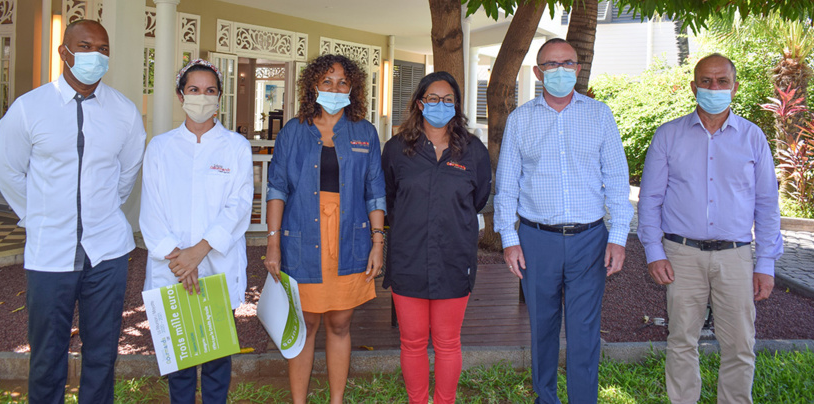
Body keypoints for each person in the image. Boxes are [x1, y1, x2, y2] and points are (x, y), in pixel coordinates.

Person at [0, 19, 146, 404]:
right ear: (64, 52)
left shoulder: (125, 112)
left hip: (107, 253)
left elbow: (127, 172)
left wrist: (101, 209)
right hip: (49, 253)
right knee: (47, 355)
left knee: (102, 353)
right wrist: (39, 216)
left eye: (103, 49)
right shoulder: (30, 109)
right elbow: (9, 171)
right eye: (85, 46)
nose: (95, 55)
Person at [637, 53, 783, 404]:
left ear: (734, 87)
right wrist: (654, 252)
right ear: (693, 87)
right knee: (681, 340)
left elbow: (767, 204)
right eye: (706, 81)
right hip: (681, 254)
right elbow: (650, 199)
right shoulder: (668, 135)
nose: (713, 87)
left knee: (740, 345)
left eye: (722, 81)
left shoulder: (753, 138)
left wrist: (766, 263)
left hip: (736, 256)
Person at [494, 38, 633, 404]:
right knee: (542, 327)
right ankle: (546, 398)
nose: (560, 70)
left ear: (578, 68)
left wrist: (618, 236)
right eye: (551, 64)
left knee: (585, 331)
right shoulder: (520, 119)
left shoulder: (599, 115)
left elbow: (617, 179)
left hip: (590, 240)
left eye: (567, 63)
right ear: (538, 72)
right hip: (537, 240)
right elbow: (506, 186)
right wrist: (509, 239)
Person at [263, 54, 386, 404]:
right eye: (327, 81)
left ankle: (336, 400)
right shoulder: (293, 131)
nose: (335, 88)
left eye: (343, 82)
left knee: (340, 324)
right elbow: (277, 188)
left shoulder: (364, 132)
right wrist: (273, 243)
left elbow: (375, 191)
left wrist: (378, 242)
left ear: (353, 88)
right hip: (302, 239)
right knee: (305, 325)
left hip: (349, 240)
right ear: (313, 86)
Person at [139, 59, 253, 403]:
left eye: (209, 90)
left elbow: (239, 206)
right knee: (181, 362)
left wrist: (198, 252)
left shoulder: (235, 146)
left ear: (219, 97)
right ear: (180, 96)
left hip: (217, 265)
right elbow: (151, 209)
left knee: (217, 359)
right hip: (172, 268)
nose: (202, 97)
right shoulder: (160, 147)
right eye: (194, 90)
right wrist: (180, 258)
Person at [381, 71, 491, 404]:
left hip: (453, 259)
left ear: (456, 105)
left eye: (448, 99)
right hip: (408, 258)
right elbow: (389, 199)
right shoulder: (397, 149)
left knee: (447, 342)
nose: (440, 105)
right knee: (412, 342)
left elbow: (478, 199)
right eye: (432, 98)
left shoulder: (473, 151)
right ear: (419, 103)